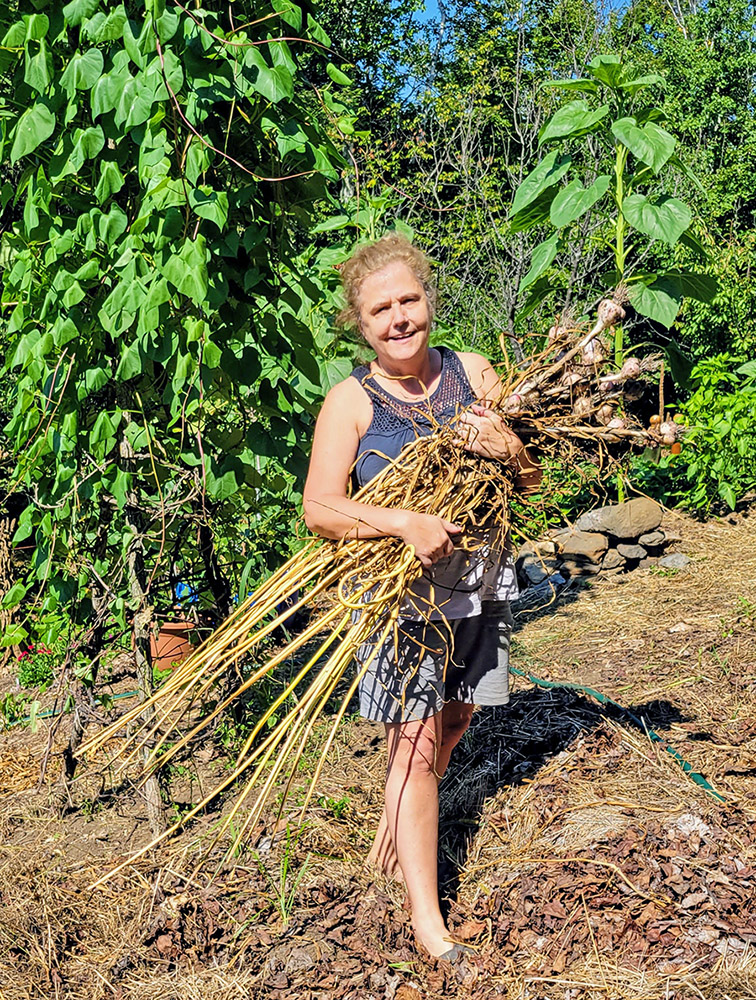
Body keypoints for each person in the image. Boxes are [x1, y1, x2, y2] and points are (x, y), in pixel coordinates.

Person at [303, 233, 540, 961]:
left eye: (409, 300)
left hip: (477, 588)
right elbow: (319, 507)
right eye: (381, 309)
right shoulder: (350, 401)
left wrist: (512, 453)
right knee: (412, 747)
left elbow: (531, 483)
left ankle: (394, 834)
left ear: (429, 301)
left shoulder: (474, 373)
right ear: (360, 323)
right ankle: (428, 921)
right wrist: (401, 522)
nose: (399, 317)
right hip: (400, 604)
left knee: (457, 720)